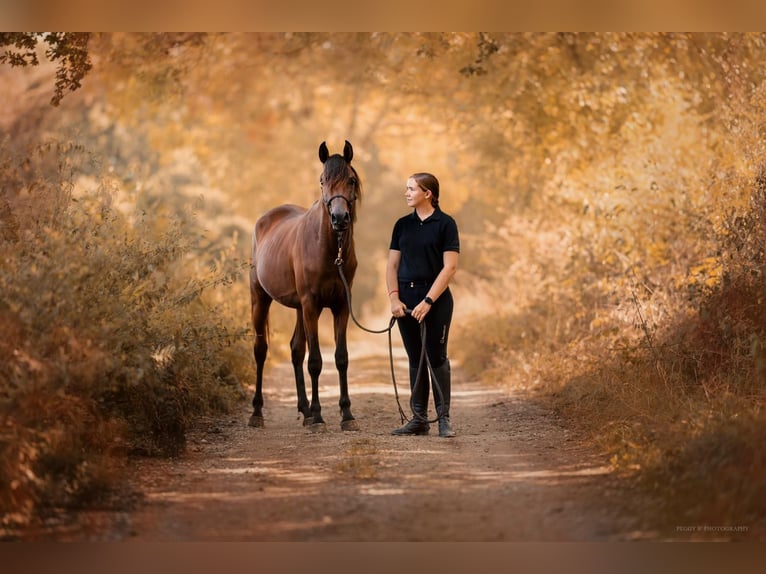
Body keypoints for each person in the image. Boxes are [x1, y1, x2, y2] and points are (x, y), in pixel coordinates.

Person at [387, 172, 459, 438]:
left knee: (436, 357)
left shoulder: (446, 224)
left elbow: (450, 267)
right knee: (415, 357)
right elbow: (392, 266)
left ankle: (443, 419)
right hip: (406, 300)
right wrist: (394, 298)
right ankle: (418, 419)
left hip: (436, 300)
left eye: (411, 189)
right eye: (406, 188)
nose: (406, 193)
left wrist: (428, 300)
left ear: (427, 194)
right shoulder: (401, 225)